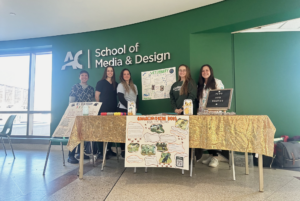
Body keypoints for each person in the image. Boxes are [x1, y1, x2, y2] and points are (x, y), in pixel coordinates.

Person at [197, 64, 224, 168]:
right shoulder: (199, 84)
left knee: (214, 135)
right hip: (202, 114)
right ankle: (210, 155)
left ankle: (216, 157)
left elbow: (222, 97)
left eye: (207, 70)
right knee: (206, 136)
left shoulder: (217, 82)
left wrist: (214, 108)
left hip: (215, 114)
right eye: (203, 71)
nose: (205, 72)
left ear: (210, 71)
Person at [68, 70, 95, 164]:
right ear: (79, 77)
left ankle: (80, 153)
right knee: (75, 134)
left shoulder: (91, 89)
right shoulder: (75, 87)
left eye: (86, 75)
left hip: (87, 115)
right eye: (82, 75)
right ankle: (70, 155)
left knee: (83, 134)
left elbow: (92, 101)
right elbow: (71, 101)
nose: (84, 77)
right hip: (76, 114)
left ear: (88, 77)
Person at [95, 66, 118, 159]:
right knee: (102, 131)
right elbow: (97, 95)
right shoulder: (100, 83)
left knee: (111, 130)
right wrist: (99, 107)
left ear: (113, 72)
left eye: (111, 71)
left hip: (113, 110)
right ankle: (101, 152)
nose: (110, 72)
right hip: (103, 110)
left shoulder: (116, 84)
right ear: (106, 72)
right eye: (108, 71)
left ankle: (108, 150)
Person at [117, 69, 138, 157]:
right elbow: (121, 98)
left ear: (130, 75)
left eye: (128, 74)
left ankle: (131, 148)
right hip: (123, 110)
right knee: (123, 131)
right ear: (122, 76)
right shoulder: (120, 85)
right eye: (124, 74)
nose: (126, 75)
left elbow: (137, 99)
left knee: (132, 131)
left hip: (132, 111)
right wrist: (130, 108)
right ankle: (123, 150)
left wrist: (136, 108)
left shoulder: (134, 86)